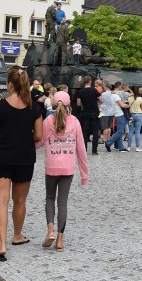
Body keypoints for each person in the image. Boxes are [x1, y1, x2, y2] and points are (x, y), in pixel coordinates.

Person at [0, 67, 42, 261]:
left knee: (1, 200)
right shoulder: (34, 107)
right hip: (24, 158)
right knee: (20, 201)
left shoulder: (0, 106)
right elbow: (39, 136)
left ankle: (1, 244)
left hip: (2, 157)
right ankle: (17, 236)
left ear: (9, 84)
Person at [38, 91, 88, 252]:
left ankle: (50, 230)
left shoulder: (48, 121)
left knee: (50, 198)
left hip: (51, 166)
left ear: (53, 105)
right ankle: (60, 239)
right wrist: (84, 175)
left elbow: (39, 142)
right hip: (68, 168)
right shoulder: (74, 122)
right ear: (69, 105)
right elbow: (81, 149)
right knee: (63, 202)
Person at [76, 76, 101, 155]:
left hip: (85, 113)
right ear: (90, 81)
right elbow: (102, 100)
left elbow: (78, 104)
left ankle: (84, 150)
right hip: (94, 113)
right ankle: (94, 150)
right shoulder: (94, 90)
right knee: (95, 132)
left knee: (85, 132)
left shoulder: (80, 91)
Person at [104, 83, 129, 152]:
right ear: (120, 87)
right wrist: (129, 105)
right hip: (119, 114)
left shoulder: (111, 95)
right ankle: (108, 143)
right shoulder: (116, 96)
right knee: (120, 132)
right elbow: (122, 105)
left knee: (119, 131)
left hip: (116, 114)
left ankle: (120, 147)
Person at [127, 87, 142, 152]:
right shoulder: (140, 98)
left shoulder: (129, 98)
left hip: (131, 115)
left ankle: (129, 146)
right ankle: (137, 147)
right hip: (139, 115)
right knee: (137, 131)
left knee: (130, 131)